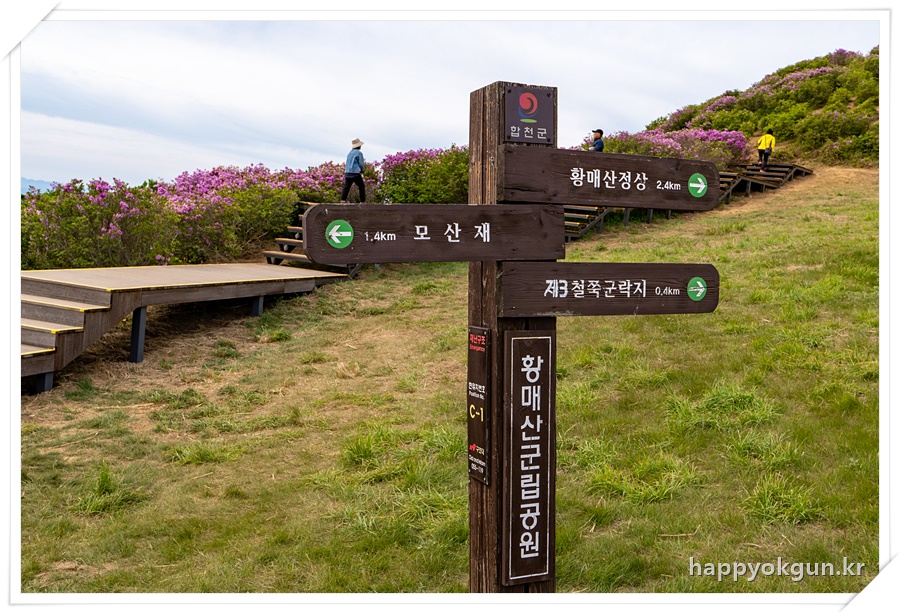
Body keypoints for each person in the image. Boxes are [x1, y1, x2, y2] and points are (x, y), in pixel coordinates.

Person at [341, 138, 366, 202]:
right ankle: (362, 201)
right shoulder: (359, 153)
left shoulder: (349, 153)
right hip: (355, 172)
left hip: (347, 172)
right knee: (361, 186)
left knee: (347, 187)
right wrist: (362, 170)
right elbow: (361, 163)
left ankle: (343, 200)